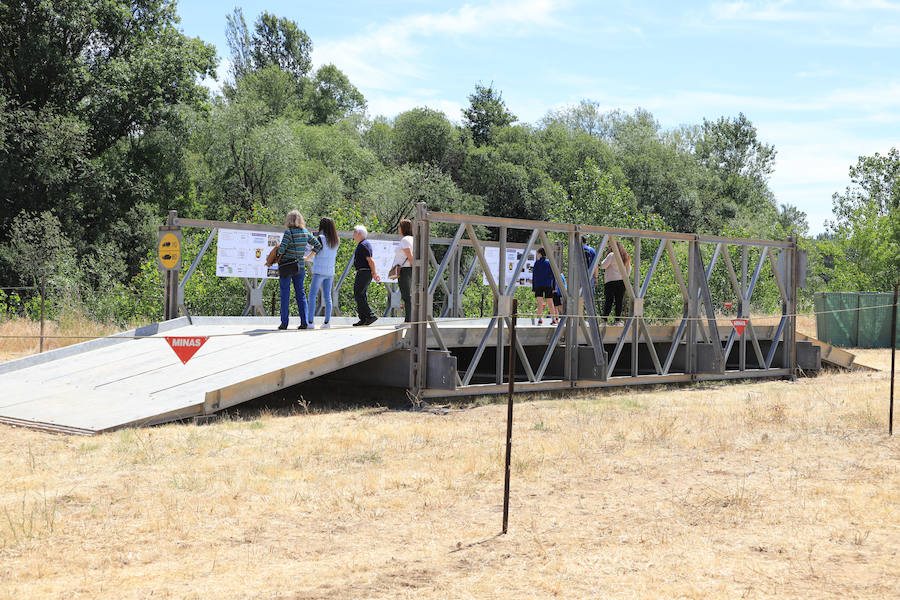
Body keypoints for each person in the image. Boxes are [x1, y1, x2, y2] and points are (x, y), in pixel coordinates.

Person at [267, 210, 321, 330]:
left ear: (289, 220)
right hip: (299, 266)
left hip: (286, 266)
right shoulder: (305, 232)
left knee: (285, 293)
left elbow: (281, 250)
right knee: (300, 294)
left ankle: (284, 323)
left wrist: (277, 250)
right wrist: (307, 257)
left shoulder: (288, 232)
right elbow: (318, 245)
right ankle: (304, 322)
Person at [304, 217, 339, 329]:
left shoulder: (320, 238)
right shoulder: (336, 240)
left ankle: (310, 322)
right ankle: (327, 322)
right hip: (329, 272)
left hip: (319, 271)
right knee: (327, 297)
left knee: (312, 295)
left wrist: (306, 257)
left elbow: (315, 251)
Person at [352, 225, 380, 326]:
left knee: (358, 294)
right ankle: (363, 318)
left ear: (359, 234)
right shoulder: (363, 244)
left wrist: (374, 273)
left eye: (354, 232)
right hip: (363, 272)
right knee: (360, 295)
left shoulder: (364, 244)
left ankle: (370, 315)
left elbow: (370, 260)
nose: (353, 235)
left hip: (364, 272)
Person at [600, 240, 632, 324]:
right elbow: (629, 270)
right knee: (619, 301)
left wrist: (603, 259)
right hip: (621, 281)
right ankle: (617, 321)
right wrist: (624, 278)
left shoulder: (611, 255)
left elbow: (603, 266)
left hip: (610, 281)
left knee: (609, 301)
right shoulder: (625, 256)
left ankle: (604, 320)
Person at [390, 219, 414, 323]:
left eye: (399, 227)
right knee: (409, 296)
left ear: (403, 228)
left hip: (405, 270)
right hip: (410, 270)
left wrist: (413, 269)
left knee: (406, 296)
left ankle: (408, 321)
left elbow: (410, 256)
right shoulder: (413, 239)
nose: (398, 229)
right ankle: (410, 319)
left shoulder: (405, 240)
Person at [531, 247, 556, 325]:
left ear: (540, 254)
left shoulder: (536, 263)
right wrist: (554, 286)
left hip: (538, 285)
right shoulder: (549, 262)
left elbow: (534, 275)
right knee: (550, 302)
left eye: (537, 253)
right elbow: (553, 275)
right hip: (547, 284)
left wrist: (534, 286)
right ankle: (553, 319)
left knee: (540, 302)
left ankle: (540, 319)